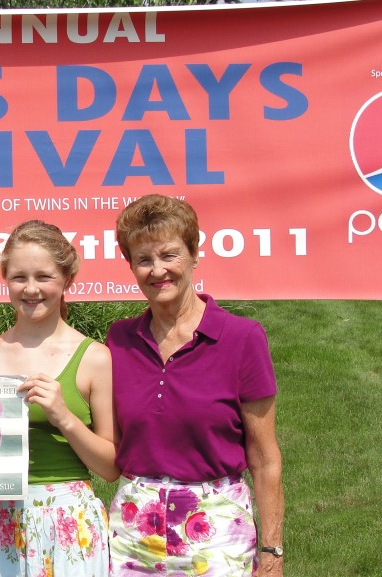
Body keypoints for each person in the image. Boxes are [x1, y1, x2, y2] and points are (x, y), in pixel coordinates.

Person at [107, 194, 284, 577]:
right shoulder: (118, 340)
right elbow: (109, 442)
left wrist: (271, 551)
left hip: (218, 528)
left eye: (169, 255)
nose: (158, 270)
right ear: (130, 266)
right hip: (132, 530)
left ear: (193, 254)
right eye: (144, 259)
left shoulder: (242, 337)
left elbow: (265, 459)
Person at [0, 219, 119, 577]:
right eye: (19, 277)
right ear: (6, 279)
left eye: (44, 277)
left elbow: (110, 467)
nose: (31, 289)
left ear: (67, 279)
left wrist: (64, 417)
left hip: (69, 520)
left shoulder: (94, 358)